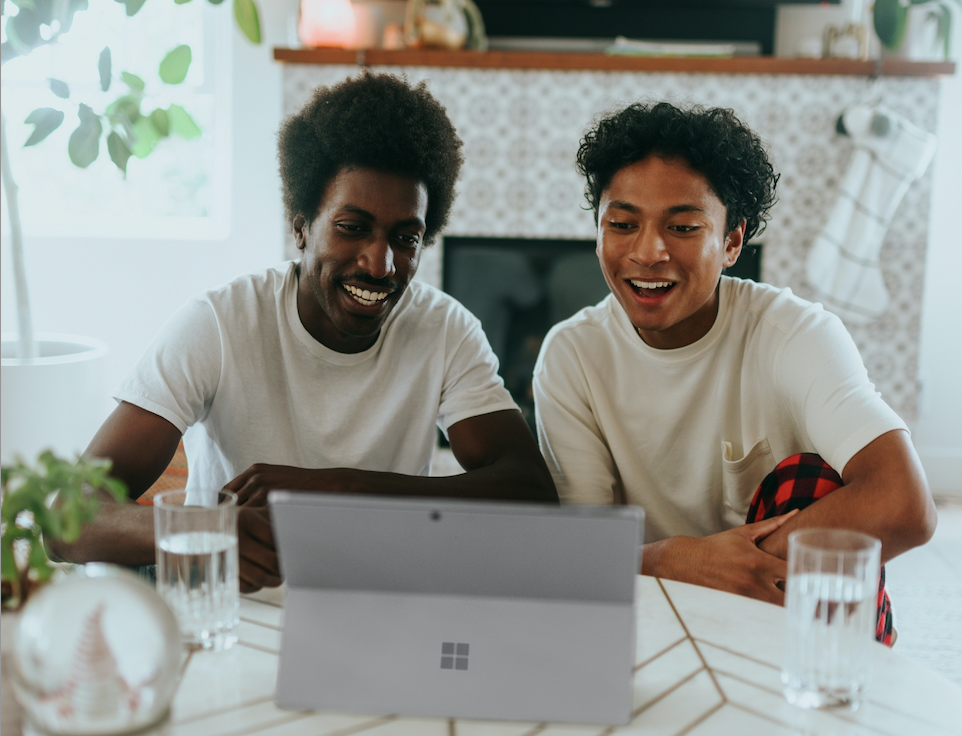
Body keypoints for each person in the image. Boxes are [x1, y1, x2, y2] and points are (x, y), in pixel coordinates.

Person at [50, 73, 557, 591]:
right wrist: (212, 530)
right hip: (233, 612)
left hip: (377, 600)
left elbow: (530, 493)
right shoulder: (220, 324)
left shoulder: (444, 328)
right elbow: (67, 517)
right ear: (300, 228)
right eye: (352, 227)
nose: (380, 264)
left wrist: (344, 489)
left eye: (406, 238)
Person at [532, 102, 936, 638]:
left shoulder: (795, 335)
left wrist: (731, 569)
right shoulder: (572, 356)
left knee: (808, 482)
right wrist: (674, 561)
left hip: (783, 616)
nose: (647, 252)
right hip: (650, 609)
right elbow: (584, 554)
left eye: (681, 226)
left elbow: (904, 502)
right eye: (622, 224)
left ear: (731, 241)